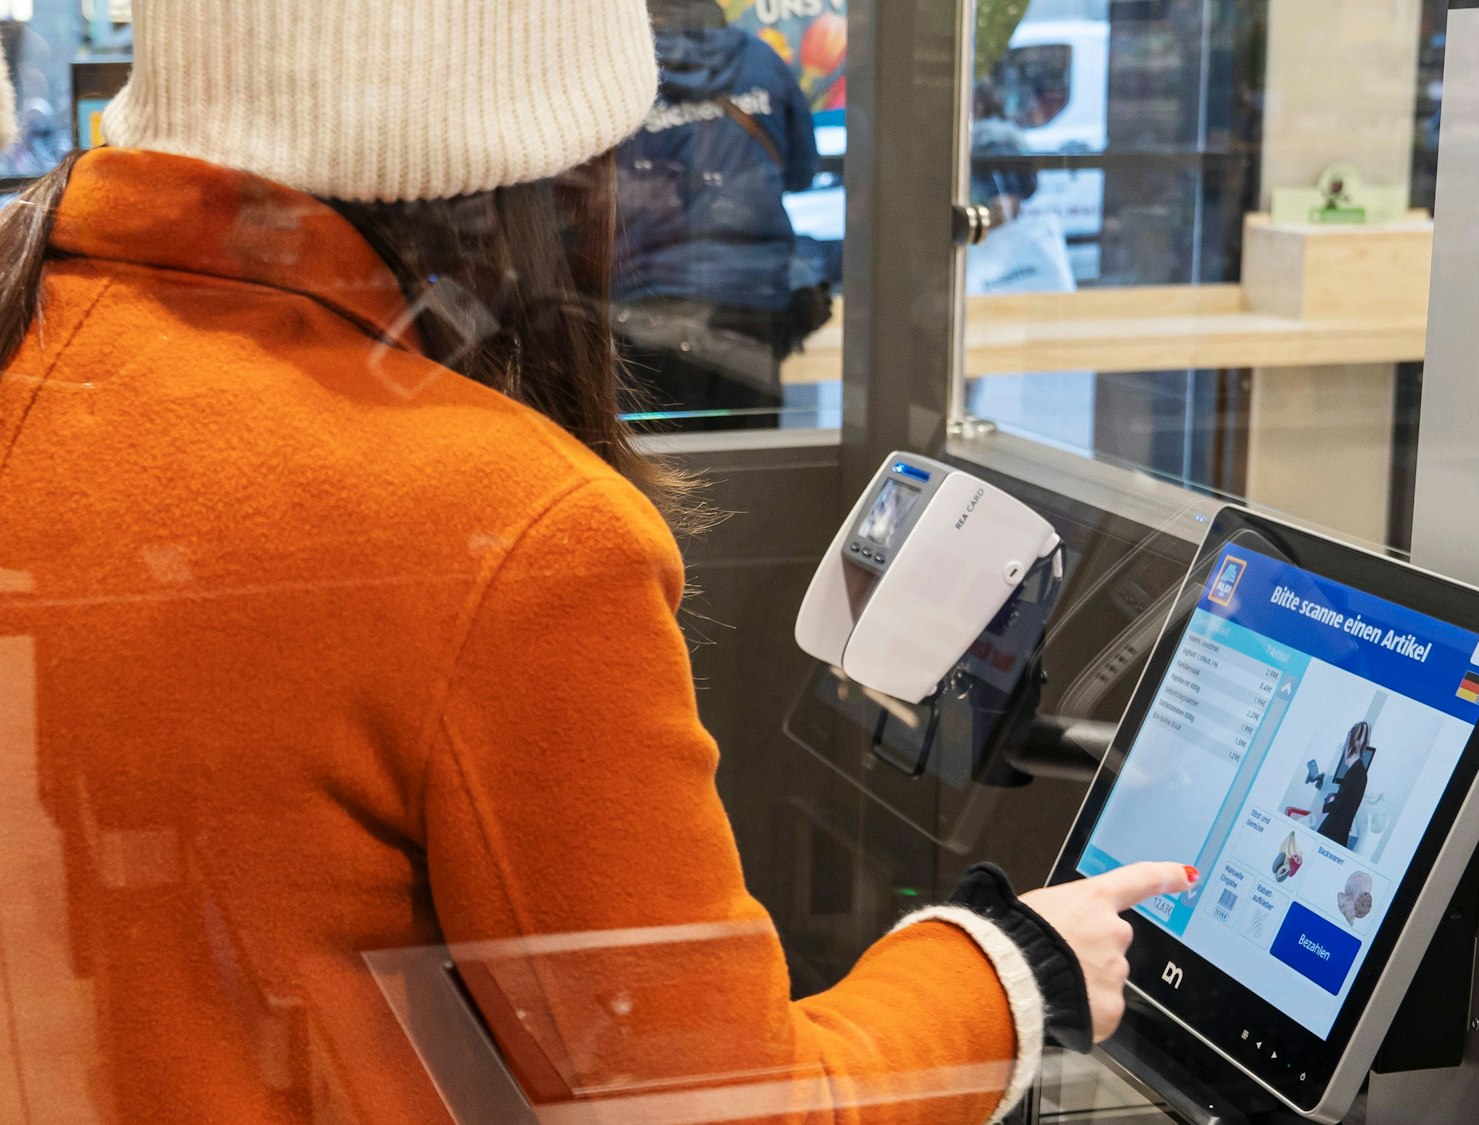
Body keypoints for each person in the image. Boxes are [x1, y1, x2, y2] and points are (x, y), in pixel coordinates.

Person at [0, 2, 1190, 1122]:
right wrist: (1010, 971)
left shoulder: (38, 336)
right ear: (552, 165)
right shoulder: (501, 524)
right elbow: (721, 1103)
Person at [612, 0, 823, 430]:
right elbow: (801, 173)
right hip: (752, 301)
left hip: (645, 305)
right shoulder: (761, 60)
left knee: (657, 457)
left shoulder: (620, 71)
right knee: (753, 454)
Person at [1308, 721, 1374, 846]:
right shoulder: (1359, 770)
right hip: (1338, 831)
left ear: (1349, 743)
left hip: (1334, 833)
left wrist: (1320, 810)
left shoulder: (1355, 772)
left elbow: (1338, 803)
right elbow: (1344, 798)